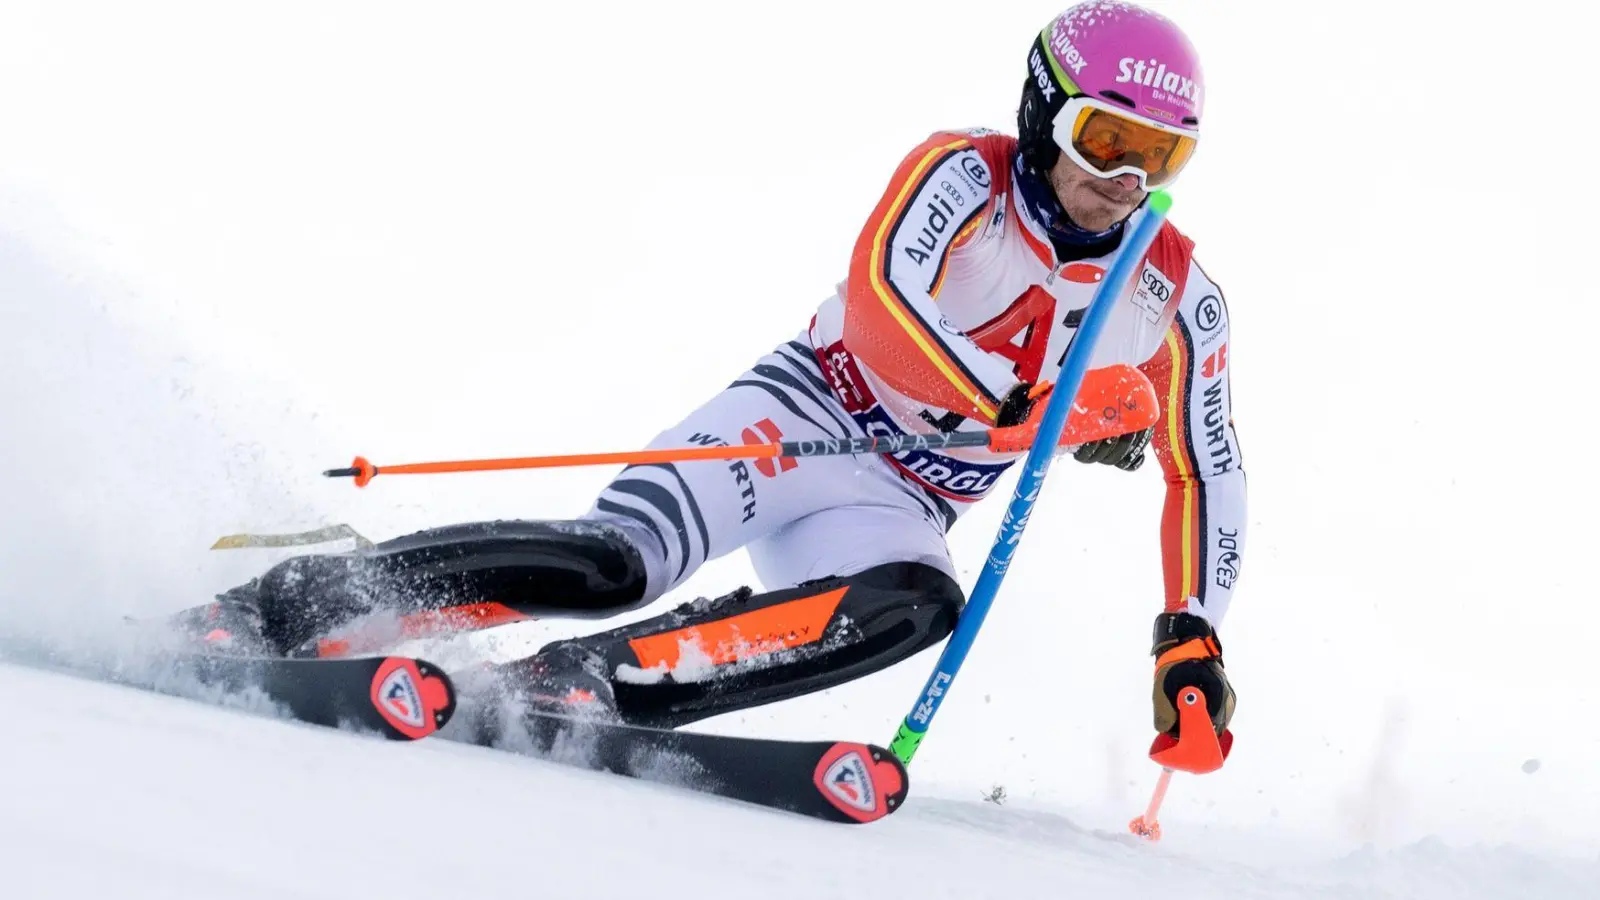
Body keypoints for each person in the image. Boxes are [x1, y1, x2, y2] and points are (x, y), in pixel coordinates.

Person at [178, 1, 1243, 761]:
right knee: (616, 560)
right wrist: (1031, 412)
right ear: (1040, 109)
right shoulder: (961, 174)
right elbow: (881, 299)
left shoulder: (1176, 295)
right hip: (799, 417)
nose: (1124, 180)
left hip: (906, 497)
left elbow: (1206, 470)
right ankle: (283, 605)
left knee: (921, 605)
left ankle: (594, 678)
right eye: (1106, 139)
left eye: (1162, 156)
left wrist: (1189, 637)